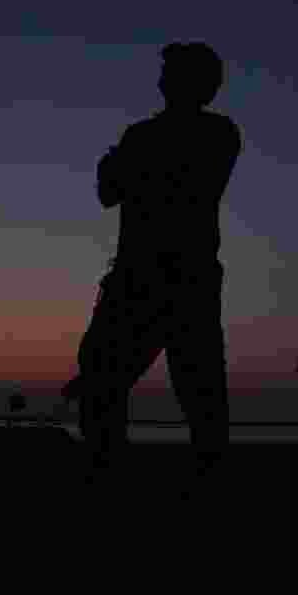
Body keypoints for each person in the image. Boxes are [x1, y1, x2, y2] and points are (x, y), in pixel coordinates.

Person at [74, 42, 242, 471]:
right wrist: (121, 169)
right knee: (106, 377)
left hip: (170, 276)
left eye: (172, 72)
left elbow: (115, 186)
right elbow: (110, 192)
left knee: (193, 388)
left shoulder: (209, 134)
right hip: (159, 276)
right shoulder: (189, 135)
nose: (163, 79)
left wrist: (120, 167)